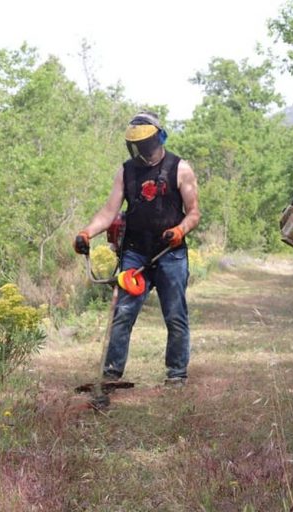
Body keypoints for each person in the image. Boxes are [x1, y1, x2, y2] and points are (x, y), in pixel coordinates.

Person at [73, 111, 201, 386]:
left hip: (170, 253)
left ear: (159, 138)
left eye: (146, 144)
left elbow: (193, 213)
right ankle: (111, 373)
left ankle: (177, 374)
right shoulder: (126, 171)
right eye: (137, 145)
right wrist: (87, 232)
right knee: (123, 311)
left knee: (175, 314)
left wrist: (180, 230)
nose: (143, 150)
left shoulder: (180, 168)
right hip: (135, 251)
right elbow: (109, 212)